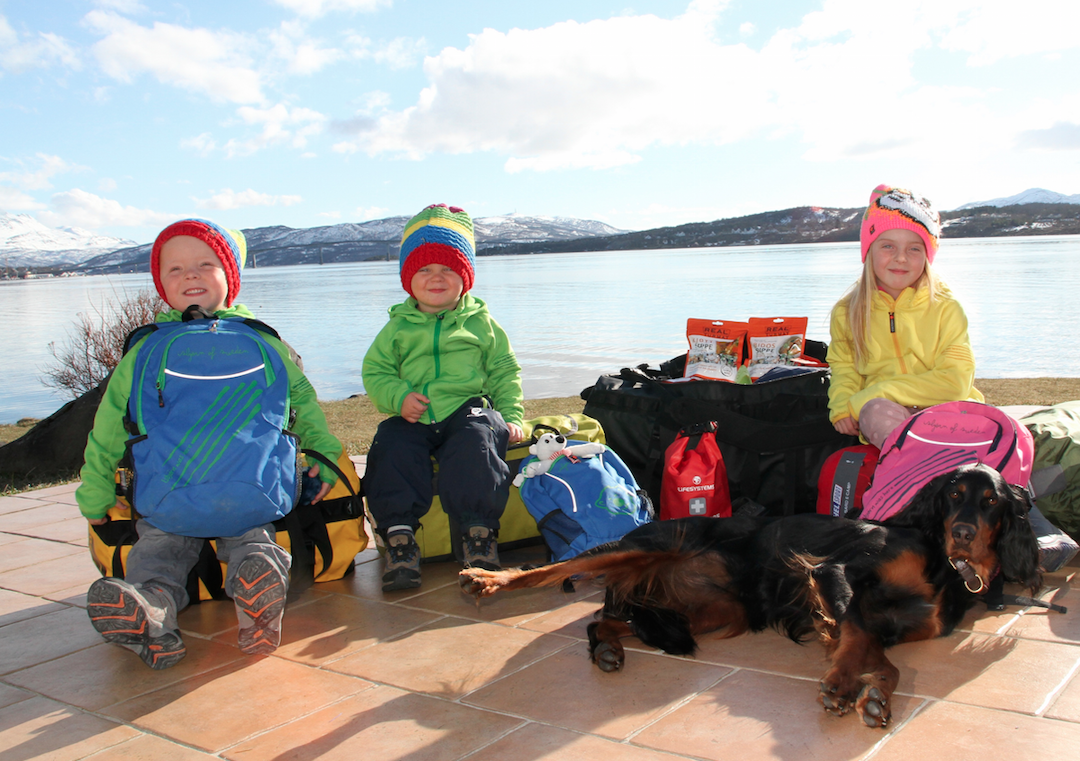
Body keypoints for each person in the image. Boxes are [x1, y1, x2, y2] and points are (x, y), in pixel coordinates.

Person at [78, 218, 342, 669]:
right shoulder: (261, 340)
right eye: (175, 269)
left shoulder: (147, 349)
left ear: (230, 278)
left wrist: (98, 492)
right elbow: (304, 404)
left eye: (205, 264)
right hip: (251, 485)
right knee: (253, 538)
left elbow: (108, 429)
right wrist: (322, 456)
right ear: (161, 283)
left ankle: (154, 609)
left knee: (157, 551)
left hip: (170, 491)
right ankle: (252, 590)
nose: (191, 276)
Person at [362, 203, 524, 592]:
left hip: (465, 410)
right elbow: (376, 372)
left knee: (480, 439)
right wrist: (398, 397)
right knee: (390, 444)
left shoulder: (482, 323)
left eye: (448, 269)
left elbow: (504, 369)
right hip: (413, 416)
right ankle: (400, 539)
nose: (437, 278)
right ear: (408, 279)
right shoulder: (396, 328)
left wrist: (512, 414)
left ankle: (478, 534)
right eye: (424, 269)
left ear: (465, 277)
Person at [827, 184, 983, 448]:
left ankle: (922, 471)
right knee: (875, 411)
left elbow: (956, 381)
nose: (901, 258)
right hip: (887, 418)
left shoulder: (946, 308)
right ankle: (919, 472)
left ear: (927, 256)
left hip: (947, 412)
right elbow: (844, 368)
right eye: (888, 246)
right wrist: (843, 406)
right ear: (869, 251)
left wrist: (879, 391)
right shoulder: (847, 312)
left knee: (991, 423)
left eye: (914, 249)